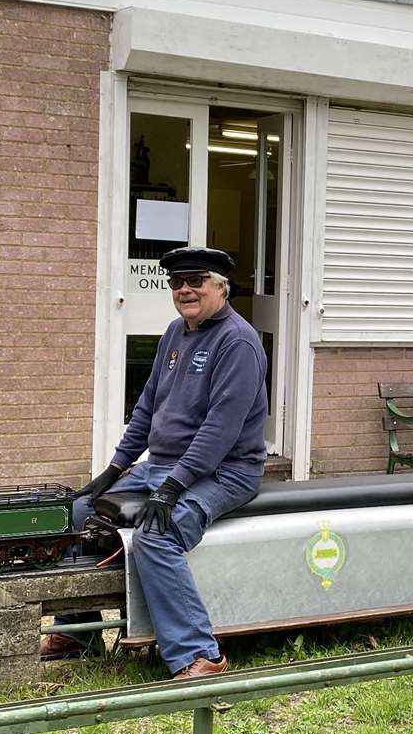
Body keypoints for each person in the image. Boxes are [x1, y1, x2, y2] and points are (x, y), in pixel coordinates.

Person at [40, 246, 269, 678]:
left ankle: (201, 655)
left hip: (225, 472)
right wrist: (113, 469)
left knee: (154, 534)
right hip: (161, 466)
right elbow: (147, 407)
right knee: (79, 513)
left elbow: (219, 431)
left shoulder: (238, 343)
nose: (185, 289)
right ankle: (79, 630)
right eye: (177, 282)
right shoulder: (175, 333)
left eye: (196, 281)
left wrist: (172, 487)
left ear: (221, 286)